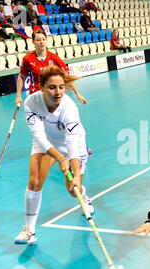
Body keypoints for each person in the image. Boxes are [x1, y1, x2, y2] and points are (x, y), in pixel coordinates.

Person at [14, 65, 93, 245]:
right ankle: (29, 230)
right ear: (41, 87)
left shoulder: (69, 107)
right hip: (46, 143)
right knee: (34, 182)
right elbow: (39, 137)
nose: (58, 92)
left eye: (61, 87)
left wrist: (72, 170)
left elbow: (72, 142)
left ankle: (85, 198)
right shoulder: (31, 103)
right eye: (52, 87)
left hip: (73, 144)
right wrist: (59, 158)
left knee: (74, 190)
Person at [16, 29, 87, 106]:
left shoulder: (54, 58)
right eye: (38, 40)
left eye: (43, 39)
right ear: (33, 42)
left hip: (51, 96)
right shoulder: (27, 59)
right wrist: (18, 96)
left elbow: (66, 76)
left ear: (46, 40)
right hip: (35, 95)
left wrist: (77, 94)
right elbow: (21, 76)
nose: (41, 42)